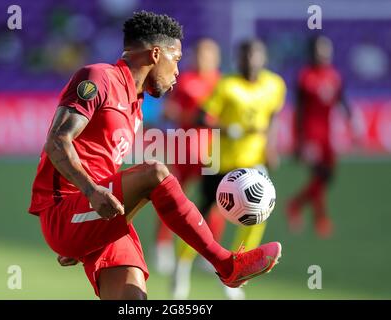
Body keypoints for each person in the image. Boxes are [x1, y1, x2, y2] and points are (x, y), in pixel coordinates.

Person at [28, 11, 281, 300]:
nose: (178, 71)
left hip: (96, 215)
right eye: (176, 59)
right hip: (66, 210)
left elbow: (115, 192)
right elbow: (57, 141)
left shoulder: (135, 104)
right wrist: (91, 193)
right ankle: (226, 264)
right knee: (155, 172)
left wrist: (94, 232)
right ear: (156, 54)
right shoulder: (98, 77)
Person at [171, 39, 285, 300]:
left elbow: (273, 116)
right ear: (238, 59)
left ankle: (235, 272)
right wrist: (227, 129)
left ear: (263, 58)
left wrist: (270, 147)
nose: (249, 61)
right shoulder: (226, 86)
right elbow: (202, 116)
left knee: (258, 217)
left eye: (254, 56)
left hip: (252, 166)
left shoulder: (274, 85)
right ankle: (182, 265)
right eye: (244, 56)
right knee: (200, 220)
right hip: (220, 163)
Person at [153, 38, 225, 277]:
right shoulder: (184, 80)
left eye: (207, 55)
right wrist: (189, 117)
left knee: (215, 200)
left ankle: (210, 250)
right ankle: (162, 247)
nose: (202, 59)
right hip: (184, 147)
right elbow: (170, 111)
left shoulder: (221, 83)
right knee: (172, 198)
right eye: (199, 54)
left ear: (216, 59)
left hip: (212, 150)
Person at [286, 35, 352, 238]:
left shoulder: (334, 75)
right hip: (311, 134)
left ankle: (297, 206)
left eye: (326, 48)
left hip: (328, 135)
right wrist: (298, 140)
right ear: (311, 51)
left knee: (325, 177)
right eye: (318, 49)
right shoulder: (305, 76)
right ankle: (318, 217)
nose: (322, 53)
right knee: (320, 174)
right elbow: (299, 108)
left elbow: (342, 100)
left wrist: (351, 121)